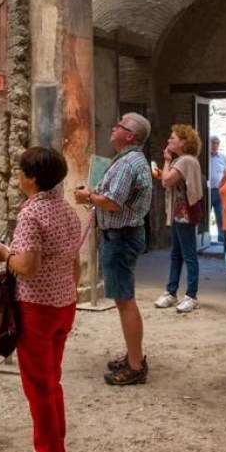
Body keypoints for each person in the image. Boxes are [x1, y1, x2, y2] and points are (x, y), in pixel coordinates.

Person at [0, 147, 82, 452]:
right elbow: (74, 262)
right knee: (51, 383)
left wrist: (3, 255)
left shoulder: (31, 213)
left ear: (31, 178)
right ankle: (50, 450)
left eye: (21, 171)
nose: (18, 176)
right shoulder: (67, 210)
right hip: (63, 304)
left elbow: (27, 266)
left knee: (39, 387)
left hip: (36, 307)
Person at [73, 113, 154, 386]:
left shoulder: (127, 163)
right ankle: (134, 355)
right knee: (123, 299)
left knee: (124, 300)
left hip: (121, 237)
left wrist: (87, 196)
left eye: (119, 125)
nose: (113, 127)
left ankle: (135, 366)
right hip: (124, 235)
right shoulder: (131, 160)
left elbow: (113, 202)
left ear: (130, 135)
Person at [155, 125, 205, 313]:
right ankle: (171, 291)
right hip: (179, 213)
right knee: (176, 254)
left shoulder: (184, 161)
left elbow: (166, 181)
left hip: (185, 214)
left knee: (188, 255)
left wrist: (167, 160)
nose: (169, 141)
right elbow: (169, 180)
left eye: (173, 138)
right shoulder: (183, 160)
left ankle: (191, 295)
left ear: (183, 142)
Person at [208, 136, 226, 243]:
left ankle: (221, 236)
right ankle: (206, 237)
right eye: (213, 143)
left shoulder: (222, 157)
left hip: (219, 190)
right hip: (208, 190)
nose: (215, 145)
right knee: (206, 214)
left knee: (220, 214)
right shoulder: (205, 157)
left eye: (216, 143)